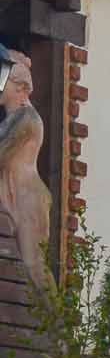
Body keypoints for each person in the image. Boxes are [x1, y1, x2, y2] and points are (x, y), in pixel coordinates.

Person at [0, 48, 52, 283]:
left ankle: (58, 320)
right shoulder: (13, 118)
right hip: (15, 193)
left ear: (19, 87)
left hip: (28, 199)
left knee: (35, 269)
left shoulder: (26, 118)